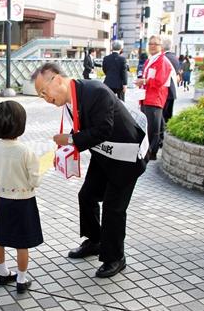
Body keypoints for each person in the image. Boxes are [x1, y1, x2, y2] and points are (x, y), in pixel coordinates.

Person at [32, 63, 147, 278]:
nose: (45, 98)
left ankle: (115, 258)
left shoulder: (96, 91)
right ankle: (95, 241)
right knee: (87, 196)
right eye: (41, 96)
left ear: (57, 80)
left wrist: (70, 139)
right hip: (104, 155)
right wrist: (70, 141)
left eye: (44, 92)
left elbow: (104, 129)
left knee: (113, 208)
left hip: (126, 157)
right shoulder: (69, 100)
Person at [0, 100, 43, 293]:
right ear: (21, 124)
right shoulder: (26, 151)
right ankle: (21, 279)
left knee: (0, 238)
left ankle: (2, 273)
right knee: (22, 243)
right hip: (24, 202)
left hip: (2, 199)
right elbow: (35, 181)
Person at [135, 35, 172, 161]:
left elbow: (159, 81)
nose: (152, 46)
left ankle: (152, 152)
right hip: (147, 97)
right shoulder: (150, 60)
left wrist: (144, 81)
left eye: (155, 44)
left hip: (155, 98)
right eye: (150, 44)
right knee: (149, 126)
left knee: (153, 128)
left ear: (160, 46)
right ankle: (148, 150)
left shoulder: (162, 61)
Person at [162, 39, 180, 123]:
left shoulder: (162, 58)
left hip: (163, 90)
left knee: (162, 115)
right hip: (173, 90)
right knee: (169, 114)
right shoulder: (175, 58)